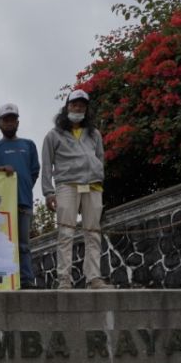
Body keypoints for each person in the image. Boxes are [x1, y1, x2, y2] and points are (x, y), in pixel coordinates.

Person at [42, 89, 108, 290]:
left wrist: (98, 177)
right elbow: (46, 164)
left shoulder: (94, 133)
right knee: (66, 233)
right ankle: (64, 279)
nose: (78, 108)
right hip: (67, 185)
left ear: (86, 109)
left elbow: (100, 157)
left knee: (93, 232)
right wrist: (48, 192)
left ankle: (94, 278)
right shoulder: (53, 135)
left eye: (82, 105)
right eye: (74, 104)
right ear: (67, 107)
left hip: (93, 186)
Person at [0, 103, 41, 288]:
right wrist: (0, 170)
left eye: (12, 119)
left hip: (23, 202)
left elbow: (34, 172)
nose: (9, 123)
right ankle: (1, 280)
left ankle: (27, 281)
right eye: (5, 120)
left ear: (18, 122)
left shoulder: (29, 145)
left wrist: (23, 189)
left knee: (23, 246)